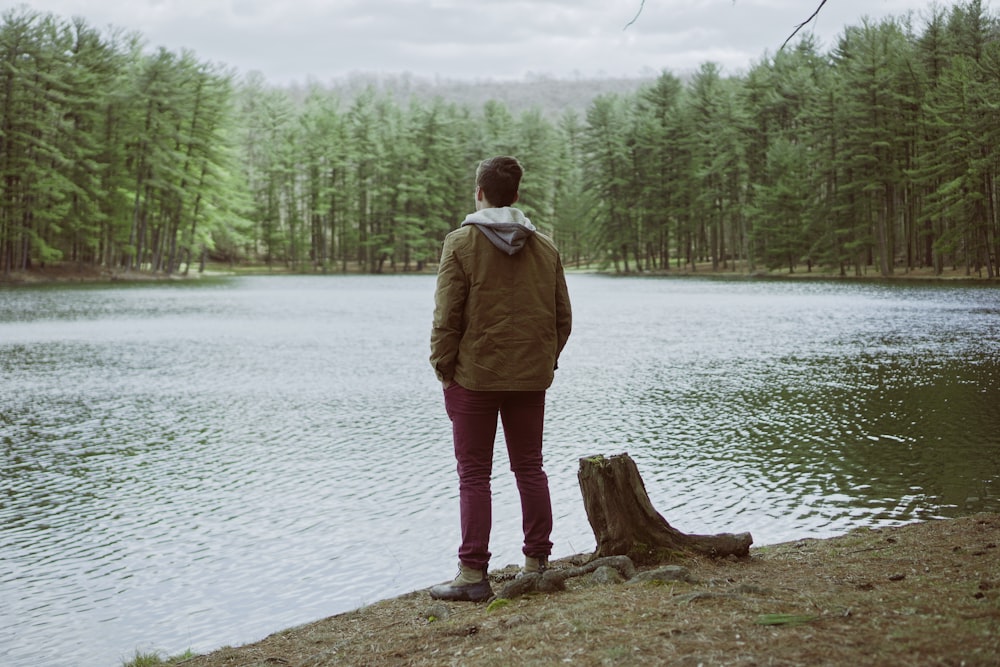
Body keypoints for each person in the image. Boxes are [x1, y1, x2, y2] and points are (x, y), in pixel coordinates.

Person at [428, 155, 572, 602]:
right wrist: (541, 363)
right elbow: (562, 319)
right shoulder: (545, 248)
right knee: (529, 468)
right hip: (529, 379)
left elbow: (446, 318)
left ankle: (473, 575)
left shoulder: (461, 243)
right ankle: (537, 564)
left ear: (479, 192)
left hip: (473, 379)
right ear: (516, 195)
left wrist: (444, 369)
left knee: (474, 475)